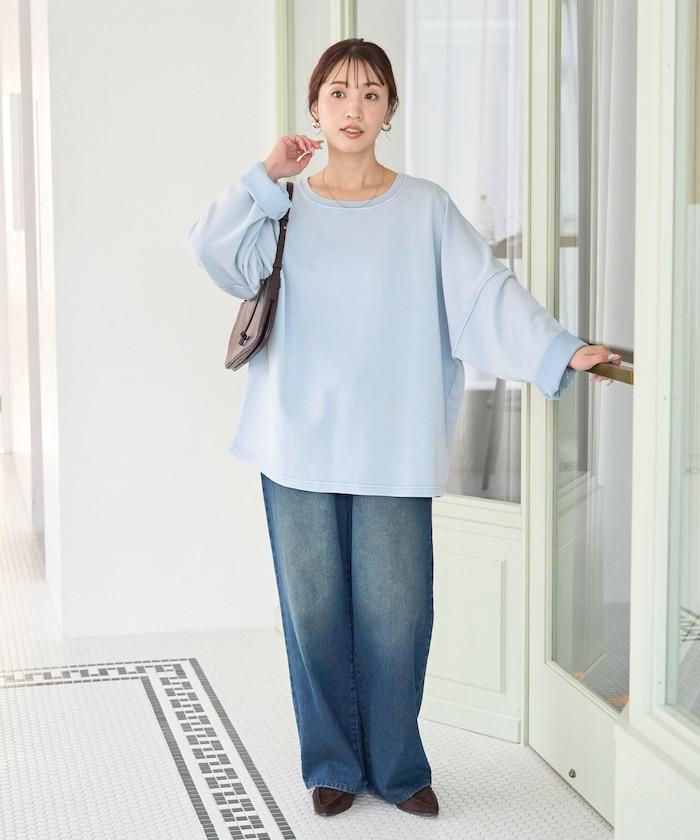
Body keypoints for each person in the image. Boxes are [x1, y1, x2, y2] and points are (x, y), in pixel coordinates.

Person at [184, 38, 621, 819]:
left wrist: (558, 349)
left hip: (391, 444)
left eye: (371, 93)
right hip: (295, 443)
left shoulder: (425, 208)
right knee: (313, 616)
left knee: (398, 614)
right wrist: (265, 176)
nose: (354, 108)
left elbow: (486, 296)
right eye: (338, 92)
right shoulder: (285, 208)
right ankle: (332, 764)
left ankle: (396, 765)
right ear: (315, 107)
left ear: (390, 111)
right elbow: (213, 254)